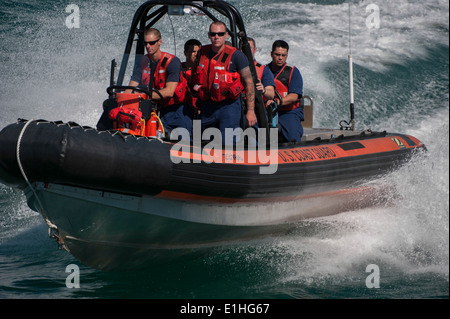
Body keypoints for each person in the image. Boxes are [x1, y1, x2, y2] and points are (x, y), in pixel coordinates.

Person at [192, 21, 256, 144]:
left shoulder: (237, 56)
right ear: (208, 35)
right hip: (207, 105)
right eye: (213, 34)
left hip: (229, 106)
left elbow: (249, 83)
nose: (216, 37)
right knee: (204, 141)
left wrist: (251, 110)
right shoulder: (202, 52)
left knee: (228, 142)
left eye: (220, 34)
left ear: (226, 35)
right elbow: (195, 75)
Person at [128, 28, 192, 135]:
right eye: (146, 43)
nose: (148, 46)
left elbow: (169, 92)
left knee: (184, 139)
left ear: (159, 42)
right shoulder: (142, 61)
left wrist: (143, 95)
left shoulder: (172, 62)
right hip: (150, 109)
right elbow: (131, 88)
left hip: (175, 111)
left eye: (152, 43)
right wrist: (123, 98)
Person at [266, 40, 304, 142]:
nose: (280, 58)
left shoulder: (293, 72)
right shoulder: (264, 70)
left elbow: (294, 96)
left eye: (284, 55)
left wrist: (277, 102)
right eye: (277, 54)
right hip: (266, 111)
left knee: (293, 136)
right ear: (271, 54)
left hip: (288, 112)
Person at [247, 37, 275, 101]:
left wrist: (263, 90)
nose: (246, 50)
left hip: (256, 107)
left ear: (255, 50)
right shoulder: (233, 67)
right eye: (243, 48)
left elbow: (271, 94)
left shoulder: (264, 70)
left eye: (249, 48)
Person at [181, 39, 201, 112]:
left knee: (197, 123)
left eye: (198, 52)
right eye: (193, 52)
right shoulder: (177, 68)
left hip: (197, 110)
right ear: (185, 53)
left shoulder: (203, 70)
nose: (196, 54)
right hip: (182, 110)